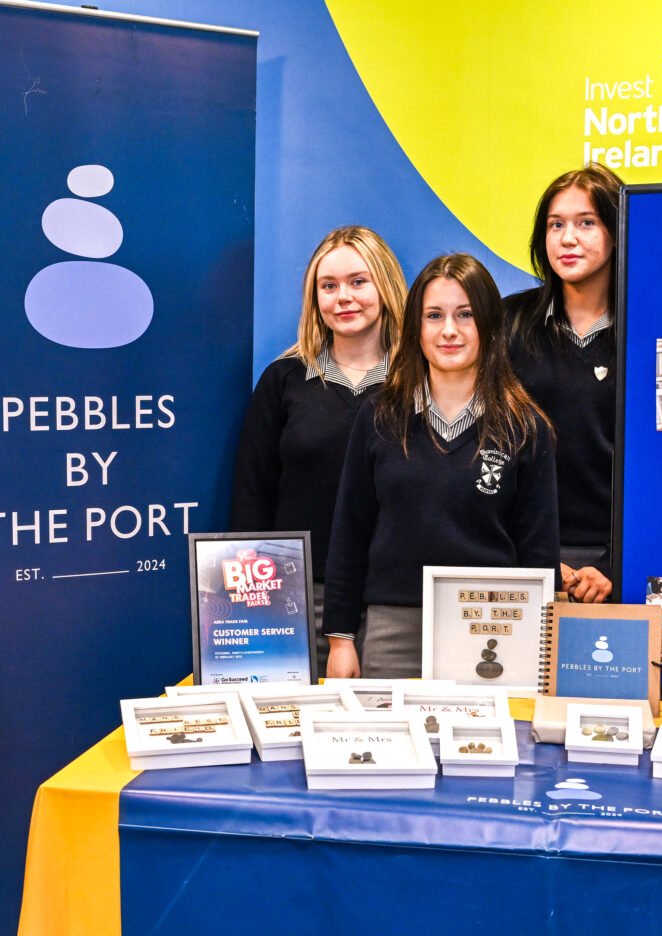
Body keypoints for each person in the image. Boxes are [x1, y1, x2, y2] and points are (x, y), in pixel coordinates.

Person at [323, 253, 559, 678]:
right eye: (434, 315)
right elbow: (349, 534)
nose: (449, 330)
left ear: (489, 324)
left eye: (465, 315)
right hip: (391, 632)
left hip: (491, 627)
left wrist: (539, 651)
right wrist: (340, 639)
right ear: (416, 328)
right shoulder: (379, 416)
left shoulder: (525, 427)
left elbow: (539, 553)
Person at [231, 226, 407, 672]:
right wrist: (254, 601)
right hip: (297, 599)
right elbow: (253, 496)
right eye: (328, 286)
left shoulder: (419, 383)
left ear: (385, 287)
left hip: (394, 602)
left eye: (357, 282)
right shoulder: (284, 380)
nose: (343, 297)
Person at [505, 164, 623, 602]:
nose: (568, 238)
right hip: (518, 553)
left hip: (619, 558)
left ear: (617, 230)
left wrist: (615, 565)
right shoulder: (506, 324)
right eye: (556, 225)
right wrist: (533, 557)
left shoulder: (646, 329)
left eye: (586, 223)